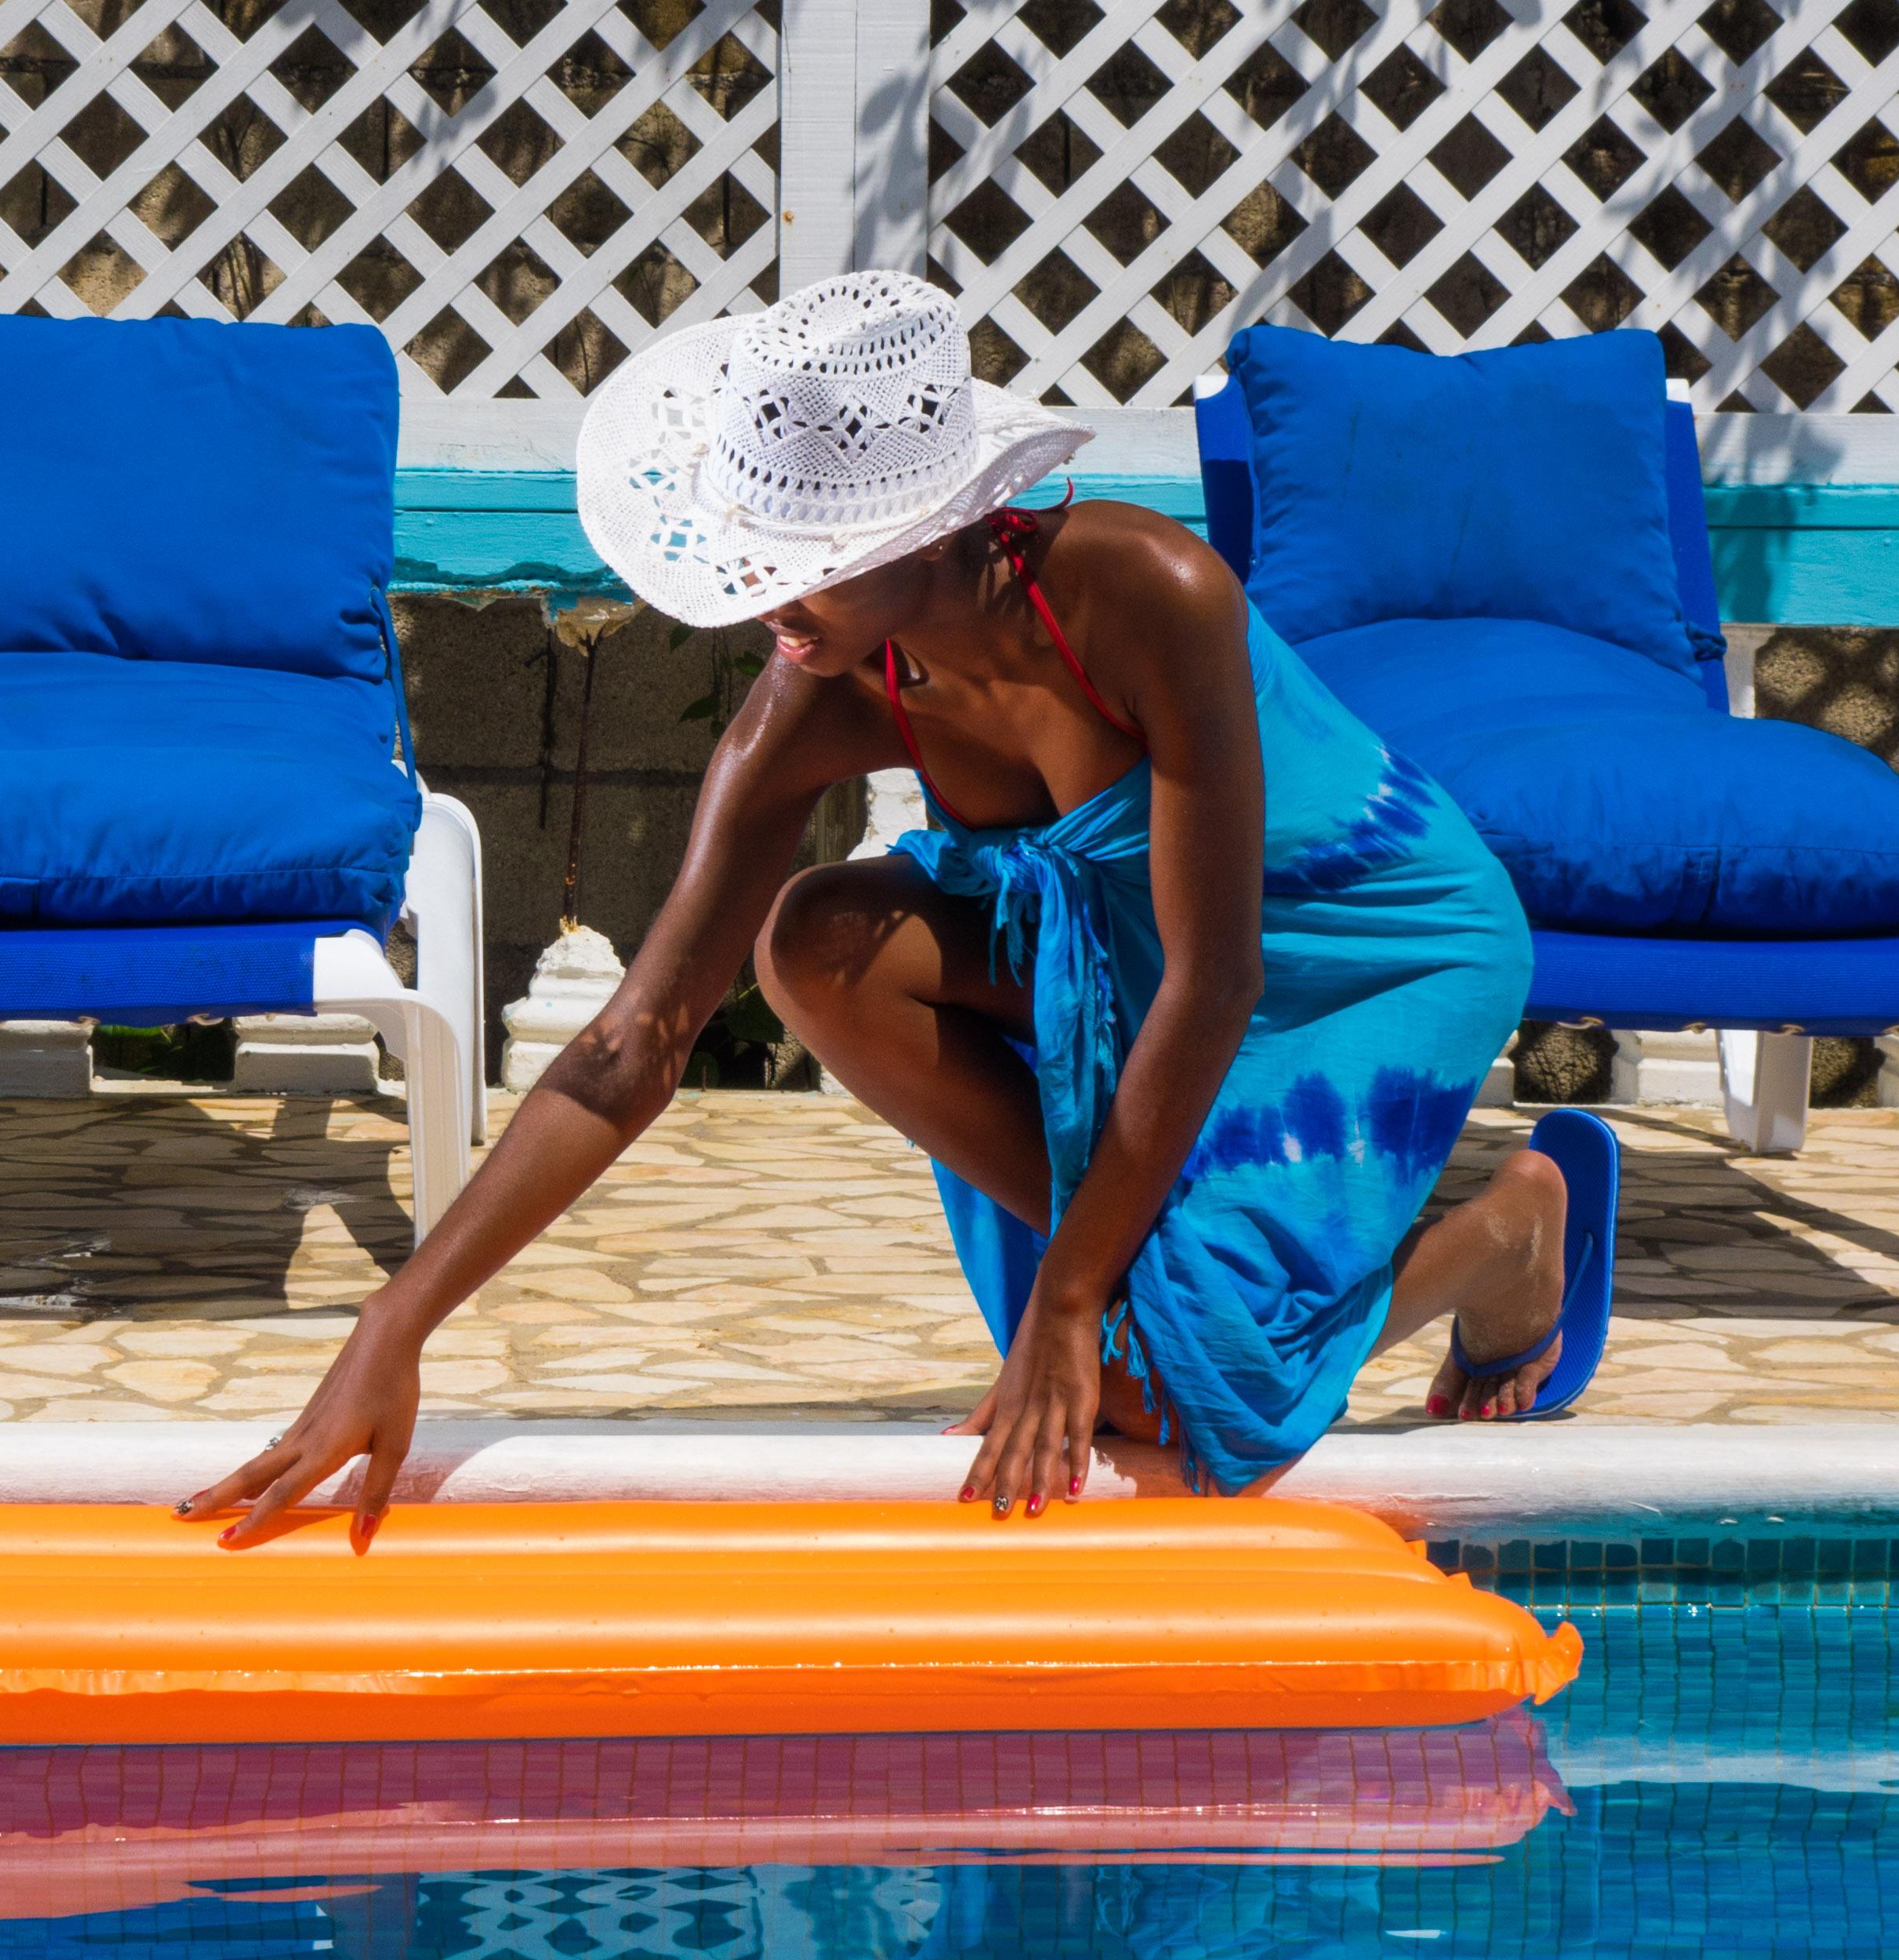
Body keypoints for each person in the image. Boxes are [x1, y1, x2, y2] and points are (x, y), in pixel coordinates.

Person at [187, 273, 1608, 1545]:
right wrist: (398, 1320)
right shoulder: (812, 688)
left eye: (804, 556)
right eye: (754, 547)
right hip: (1118, 955)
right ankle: (1155, 1309)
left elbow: (1217, 974)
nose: (765, 602)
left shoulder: (1148, 590)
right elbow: (635, 1039)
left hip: (1363, 938)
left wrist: (1064, 1299)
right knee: (818, 945)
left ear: (939, 528)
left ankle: (1513, 1234)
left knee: (1184, 1402)